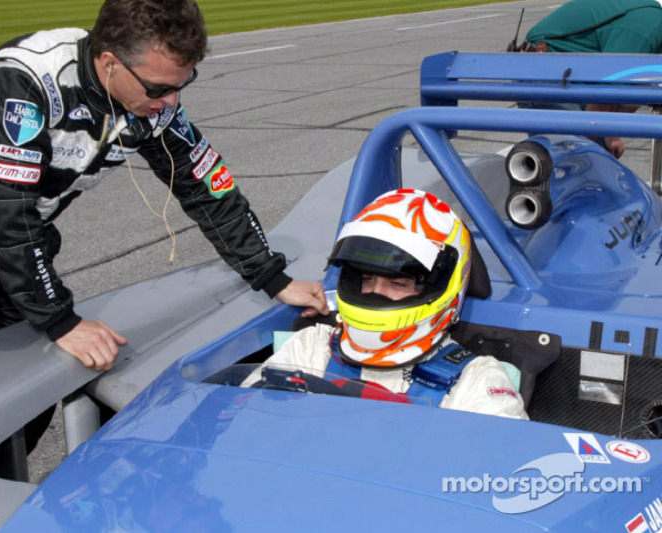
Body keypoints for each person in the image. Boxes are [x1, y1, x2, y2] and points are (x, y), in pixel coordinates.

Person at [0, 0, 329, 372]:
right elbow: (6, 213)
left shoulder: (151, 99)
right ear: (109, 63)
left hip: (25, 227)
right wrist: (60, 320)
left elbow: (206, 185)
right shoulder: (22, 82)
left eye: (182, 84)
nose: (171, 102)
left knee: (28, 372)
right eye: (159, 88)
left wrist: (271, 276)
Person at [243, 189, 528, 419]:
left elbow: (496, 476)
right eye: (366, 278)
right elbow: (247, 423)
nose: (374, 292)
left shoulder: (477, 381)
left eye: (397, 283)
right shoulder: (310, 347)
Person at [519, 0, 662, 158]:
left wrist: (610, 133)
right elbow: (608, 89)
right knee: (575, 160)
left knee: (598, 156)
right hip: (543, 69)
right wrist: (583, 145)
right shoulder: (644, 27)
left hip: (572, 75)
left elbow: (641, 87)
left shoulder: (653, 29)